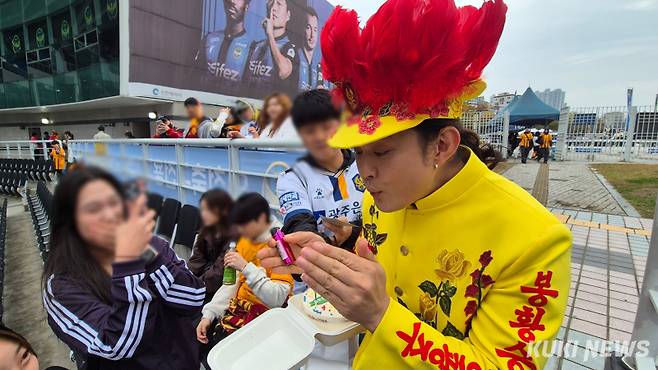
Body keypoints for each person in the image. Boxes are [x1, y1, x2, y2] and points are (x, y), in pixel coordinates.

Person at [259, 1, 571, 370]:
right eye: (358, 152)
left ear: (442, 145)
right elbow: (380, 277)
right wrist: (326, 255)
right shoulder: (380, 201)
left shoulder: (536, 241)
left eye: (383, 152)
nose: (364, 172)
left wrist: (380, 314)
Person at [42, 166, 205, 370]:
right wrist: (128, 265)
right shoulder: (61, 286)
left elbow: (194, 299)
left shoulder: (153, 245)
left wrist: (150, 258)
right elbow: (117, 346)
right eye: (93, 208)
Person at [196, 193, 293, 345]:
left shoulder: (280, 243)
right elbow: (231, 284)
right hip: (239, 311)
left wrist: (246, 268)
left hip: (267, 320)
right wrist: (209, 314)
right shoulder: (245, 239)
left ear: (261, 218)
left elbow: (278, 299)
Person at [277, 89, 362, 250]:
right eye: (310, 131)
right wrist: (318, 242)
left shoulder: (364, 163)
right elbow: (298, 223)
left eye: (326, 126)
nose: (319, 137)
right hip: (324, 264)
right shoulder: (292, 178)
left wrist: (352, 231)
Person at [188, 189, 235, 302]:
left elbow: (219, 273)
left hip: (222, 289)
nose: (203, 214)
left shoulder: (233, 236)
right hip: (203, 284)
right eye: (202, 209)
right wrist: (186, 279)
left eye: (208, 210)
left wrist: (194, 287)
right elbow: (196, 261)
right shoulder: (206, 231)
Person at [245, 0, 299, 97]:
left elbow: (283, 72)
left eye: (279, 4)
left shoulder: (289, 47)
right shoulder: (257, 46)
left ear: (288, 15)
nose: (273, 8)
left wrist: (270, 35)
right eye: (271, 3)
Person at [199, 0, 252, 95]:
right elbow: (195, 77)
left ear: (247, 6)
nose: (232, 1)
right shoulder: (209, 39)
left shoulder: (252, 47)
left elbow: (249, 91)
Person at [297, 6, 320, 91]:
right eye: (308, 28)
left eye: (315, 29)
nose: (312, 35)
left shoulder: (318, 67)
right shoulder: (295, 57)